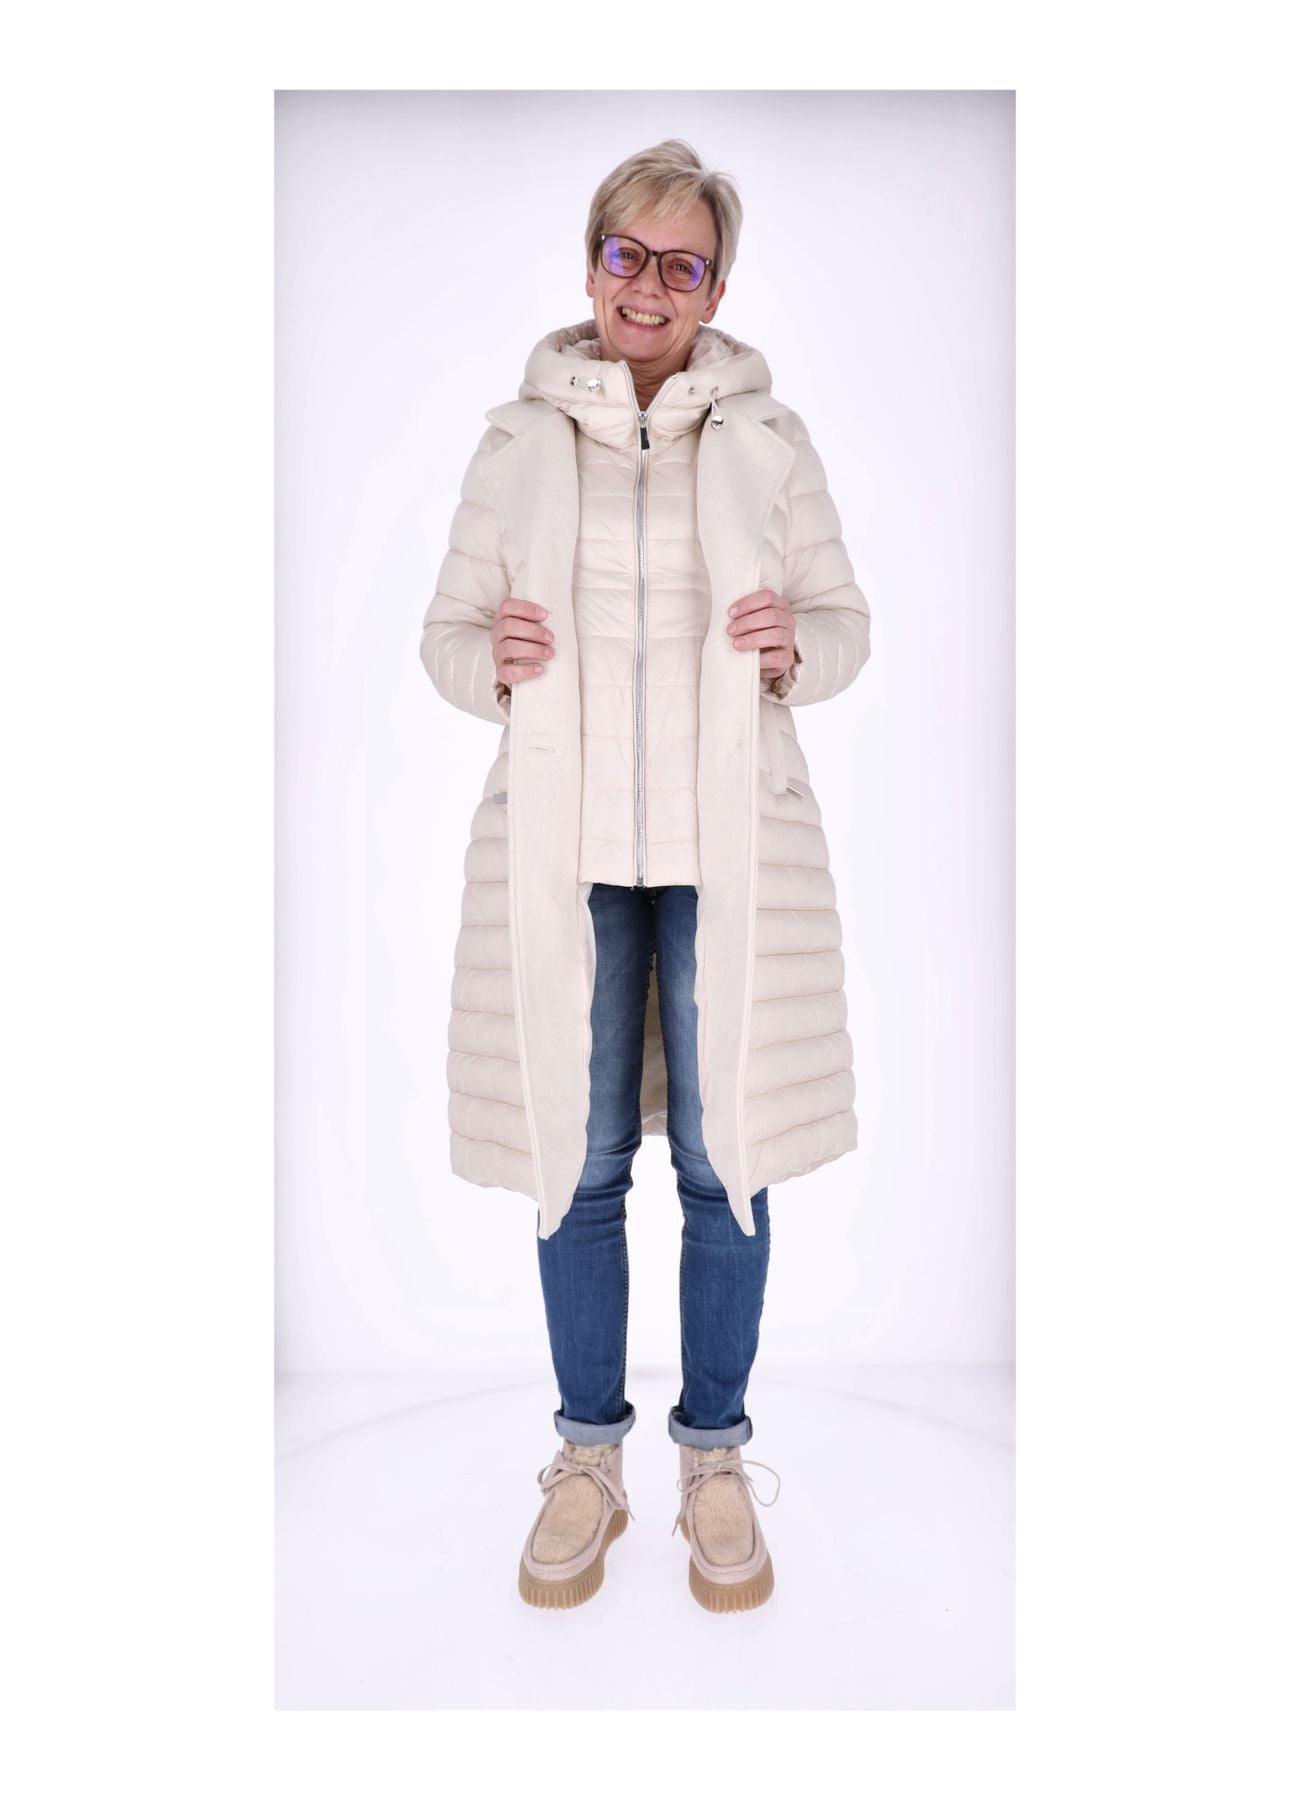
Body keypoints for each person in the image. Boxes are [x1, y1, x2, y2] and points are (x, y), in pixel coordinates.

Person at [419, 139, 871, 1612]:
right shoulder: (515, 445)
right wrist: (487, 661)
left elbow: (845, 623)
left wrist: (794, 646)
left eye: (682, 265)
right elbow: (443, 636)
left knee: (726, 1160)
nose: (650, 287)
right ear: (591, 264)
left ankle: (715, 1459)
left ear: (714, 289)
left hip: (726, 851)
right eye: (628, 255)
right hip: (567, 857)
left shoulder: (770, 441)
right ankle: (588, 1458)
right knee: (580, 1156)